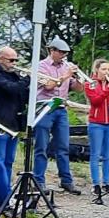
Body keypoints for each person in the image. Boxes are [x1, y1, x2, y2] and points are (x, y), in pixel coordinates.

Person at [30, 38, 85, 196]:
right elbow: (48, 85)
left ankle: (66, 180)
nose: (63, 55)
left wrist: (79, 78)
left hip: (61, 109)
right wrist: (65, 75)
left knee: (63, 147)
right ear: (52, 51)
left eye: (65, 53)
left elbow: (78, 88)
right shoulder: (41, 66)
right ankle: (38, 181)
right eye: (60, 52)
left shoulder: (66, 67)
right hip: (45, 108)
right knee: (42, 146)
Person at [0, 45, 29, 171]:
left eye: (16, 60)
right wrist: (28, 79)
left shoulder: (14, 75)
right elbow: (12, 89)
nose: (14, 63)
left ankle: (6, 189)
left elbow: (22, 95)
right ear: (1, 59)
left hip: (13, 122)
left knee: (9, 160)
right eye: (11, 60)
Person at [83, 59, 109, 203]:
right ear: (97, 70)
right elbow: (96, 101)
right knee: (96, 154)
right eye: (104, 69)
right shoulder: (90, 83)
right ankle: (96, 184)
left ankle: (106, 182)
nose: (107, 72)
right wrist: (108, 90)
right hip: (96, 123)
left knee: (107, 155)